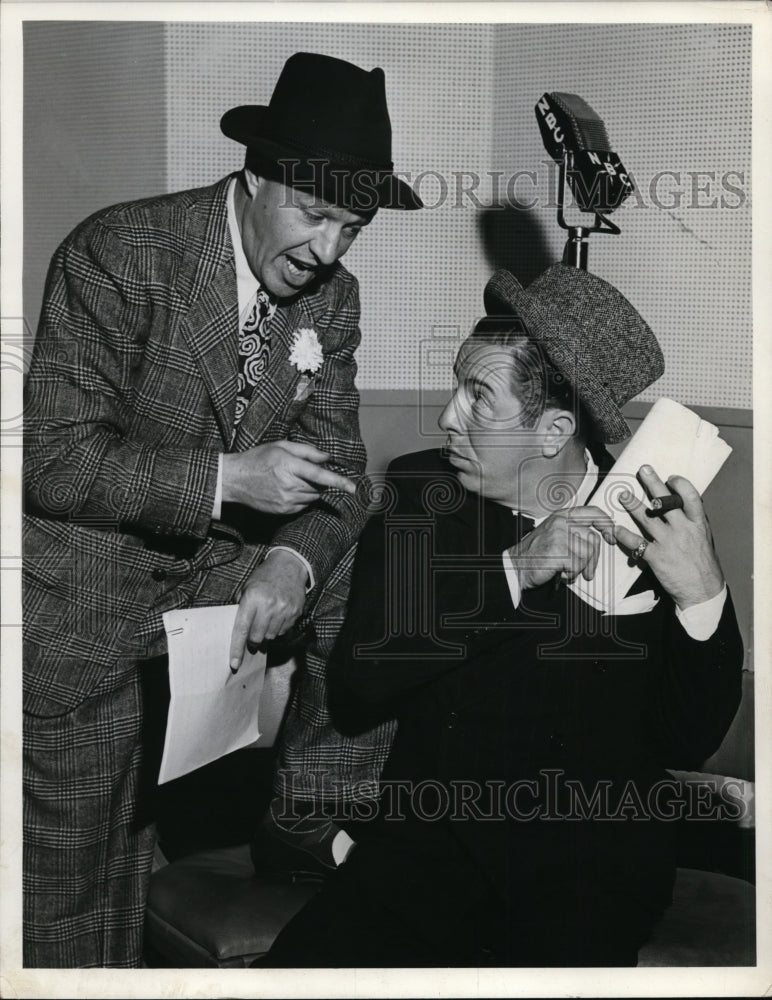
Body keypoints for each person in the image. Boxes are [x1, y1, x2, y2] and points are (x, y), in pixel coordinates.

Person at [22, 51, 422, 968]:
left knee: (372, 556)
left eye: (351, 228)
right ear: (254, 180)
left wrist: (292, 561)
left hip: (209, 581)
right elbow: (53, 463)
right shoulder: (121, 253)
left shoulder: (335, 299)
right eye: (315, 215)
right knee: (73, 895)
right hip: (82, 596)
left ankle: (310, 824)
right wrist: (230, 481)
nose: (329, 251)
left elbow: (345, 478)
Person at [263, 263, 744, 967]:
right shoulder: (423, 492)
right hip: (425, 859)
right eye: (458, 384)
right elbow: (363, 678)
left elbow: (683, 740)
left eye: (478, 397)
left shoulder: (650, 519)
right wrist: (516, 571)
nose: (446, 417)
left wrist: (702, 593)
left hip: (584, 876)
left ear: (552, 431)